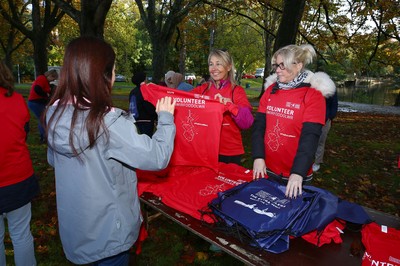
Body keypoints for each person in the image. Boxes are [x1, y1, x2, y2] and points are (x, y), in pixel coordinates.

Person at [44, 36, 176, 265]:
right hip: (109, 237)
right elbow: (157, 157)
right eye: (113, 70)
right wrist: (165, 119)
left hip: (76, 232)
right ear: (103, 76)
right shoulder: (108, 123)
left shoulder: (54, 116)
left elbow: (55, 161)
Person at [252, 44, 336, 199]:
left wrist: (298, 172)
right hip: (266, 169)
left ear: (298, 65)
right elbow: (259, 127)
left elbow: (310, 137)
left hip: (295, 175)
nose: (277, 70)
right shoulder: (271, 90)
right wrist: (258, 157)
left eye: (282, 66)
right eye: (276, 65)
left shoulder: (313, 95)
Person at [0, 61, 39, 266]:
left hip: (15, 176)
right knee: (22, 234)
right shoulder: (16, 100)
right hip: (18, 177)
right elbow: (22, 133)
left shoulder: (15, 99)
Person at [192, 49, 254, 165]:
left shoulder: (237, 91)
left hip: (229, 152)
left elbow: (247, 122)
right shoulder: (203, 89)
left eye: (218, 63)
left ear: (229, 67)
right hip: (205, 150)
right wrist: (154, 90)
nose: (214, 68)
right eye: (211, 64)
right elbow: (180, 100)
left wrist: (230, 106)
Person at [28, 69, 58, 143]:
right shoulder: (42, 78)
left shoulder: (46, 82)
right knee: (42, 119)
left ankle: (45, 136)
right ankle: (43, 136)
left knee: (44, 118)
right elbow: (37, 89)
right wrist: (46, 96)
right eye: (53, 79)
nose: (53, 80)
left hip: (40, 103)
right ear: (50, 75)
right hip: (35, 102)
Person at [312, 91, 338, 172]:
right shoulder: (311, 85)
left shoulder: (330, 88)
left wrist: (330, 117)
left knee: (320, 141)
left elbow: (334, 104)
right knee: (307, 139)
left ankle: (317, 162)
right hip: (310, 118)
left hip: (325, 120)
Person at [129, 71, 157, 137]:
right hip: (147, 119)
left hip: (136, 119)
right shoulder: (145, 90)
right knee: (147, 139)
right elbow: (148, 105)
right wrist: (155, 116)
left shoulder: (133, 91)